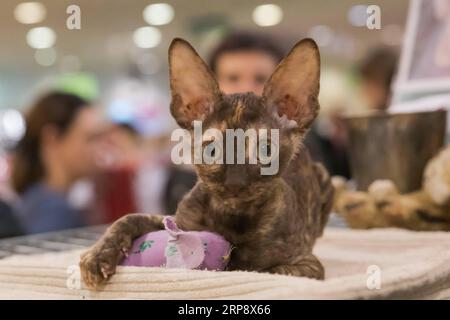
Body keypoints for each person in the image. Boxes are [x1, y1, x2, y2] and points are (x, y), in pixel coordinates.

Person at [11, 92, 104, 234]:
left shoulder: (39, 201)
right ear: (52, 138)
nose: (99, 149)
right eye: (90, 139)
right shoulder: (53, 212)